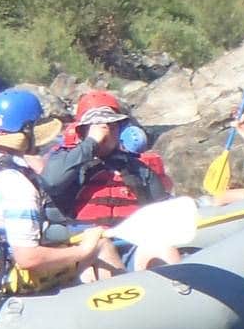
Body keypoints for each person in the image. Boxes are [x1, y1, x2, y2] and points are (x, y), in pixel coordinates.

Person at [0, 89, 124, 296]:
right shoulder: (16, 184)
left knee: (77, 247)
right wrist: (83, 251)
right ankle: (124, 309)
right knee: (101, 246)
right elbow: (28, 259)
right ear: (28, 132)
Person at [41, 90, 179, 268]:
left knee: (164, 250)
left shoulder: (136, 167)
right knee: (102, 249)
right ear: (83, 131)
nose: (106, 132)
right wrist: (91, 142)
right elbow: (51, 181)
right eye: (98, 126)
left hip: (130, 242)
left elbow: (162, 207)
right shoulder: (66, 162)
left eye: (112, 126)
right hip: (83, 245)